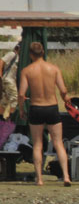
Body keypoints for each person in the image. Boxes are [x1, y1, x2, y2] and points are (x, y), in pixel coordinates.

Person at [17, 42, 70, 186]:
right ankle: (66, 176)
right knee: (58, 143)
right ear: (43, 52)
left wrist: (22, 110)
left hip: (36, 108)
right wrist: (66, 100)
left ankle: (39, 179)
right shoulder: (53, 69)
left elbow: (21, 94)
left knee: (38, 145)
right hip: (52, 107)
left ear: (30, 54)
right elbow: (63, 90)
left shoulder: (27, 70)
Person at [0, 43, 19, 120]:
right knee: (15, 99)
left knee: (5, 100)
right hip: (8, 80)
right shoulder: (12, 54)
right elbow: (1, 61)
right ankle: (12, 118)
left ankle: (1, 119)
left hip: (11, 80)